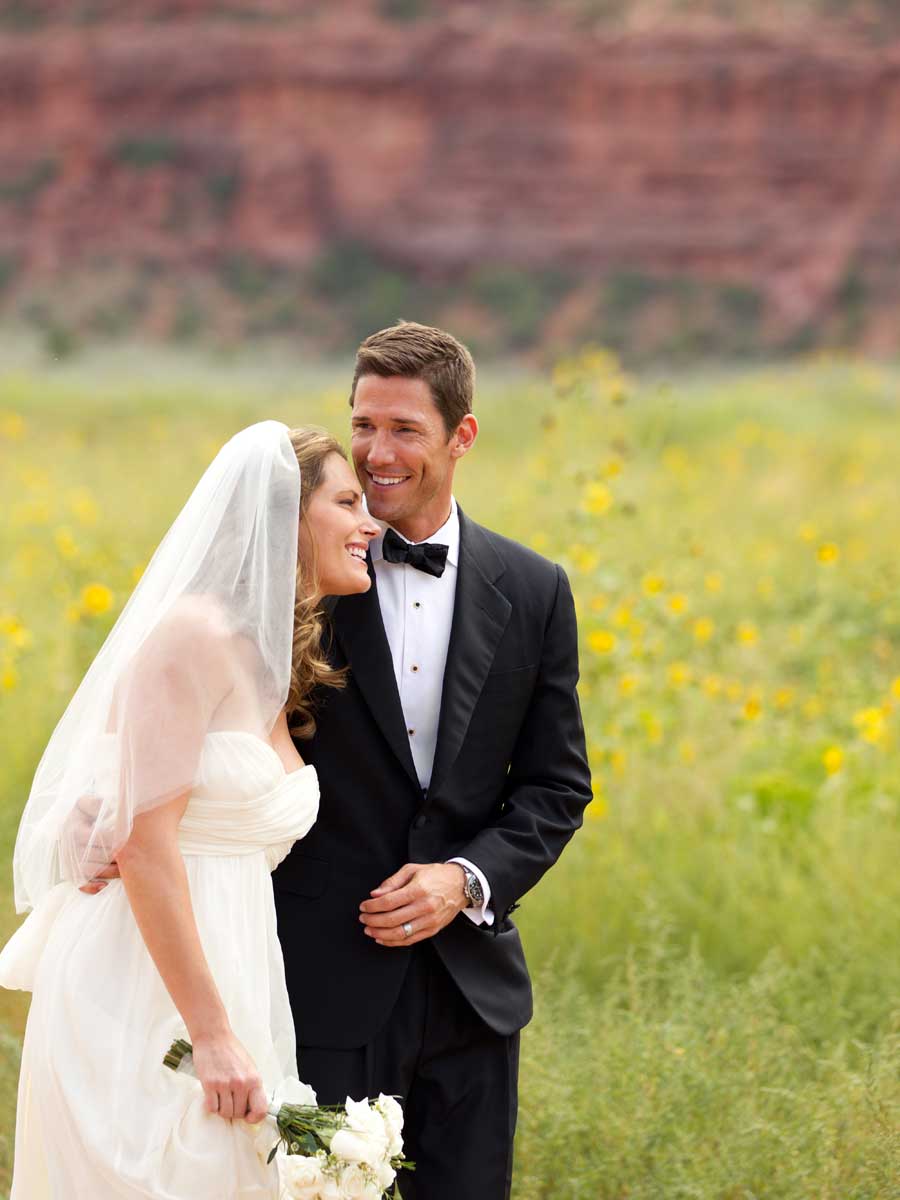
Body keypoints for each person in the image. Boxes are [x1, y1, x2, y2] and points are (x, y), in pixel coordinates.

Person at [0, 423, 378, 1199]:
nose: (369, 522)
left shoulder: (270, 656)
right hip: (140, 986)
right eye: (347, 501)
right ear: (287, 515)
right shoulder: (192, 635)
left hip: (231, 964)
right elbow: (143, 843)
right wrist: (209, 1034)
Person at [273, 322, 593, 1200]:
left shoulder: (533, 589)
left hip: (471, 997)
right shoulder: (297, 572)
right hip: (317, 983)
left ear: (462, 436)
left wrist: (465, 877)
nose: (376, 453)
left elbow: (557, 785)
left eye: (405, 429)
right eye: (363, 424)